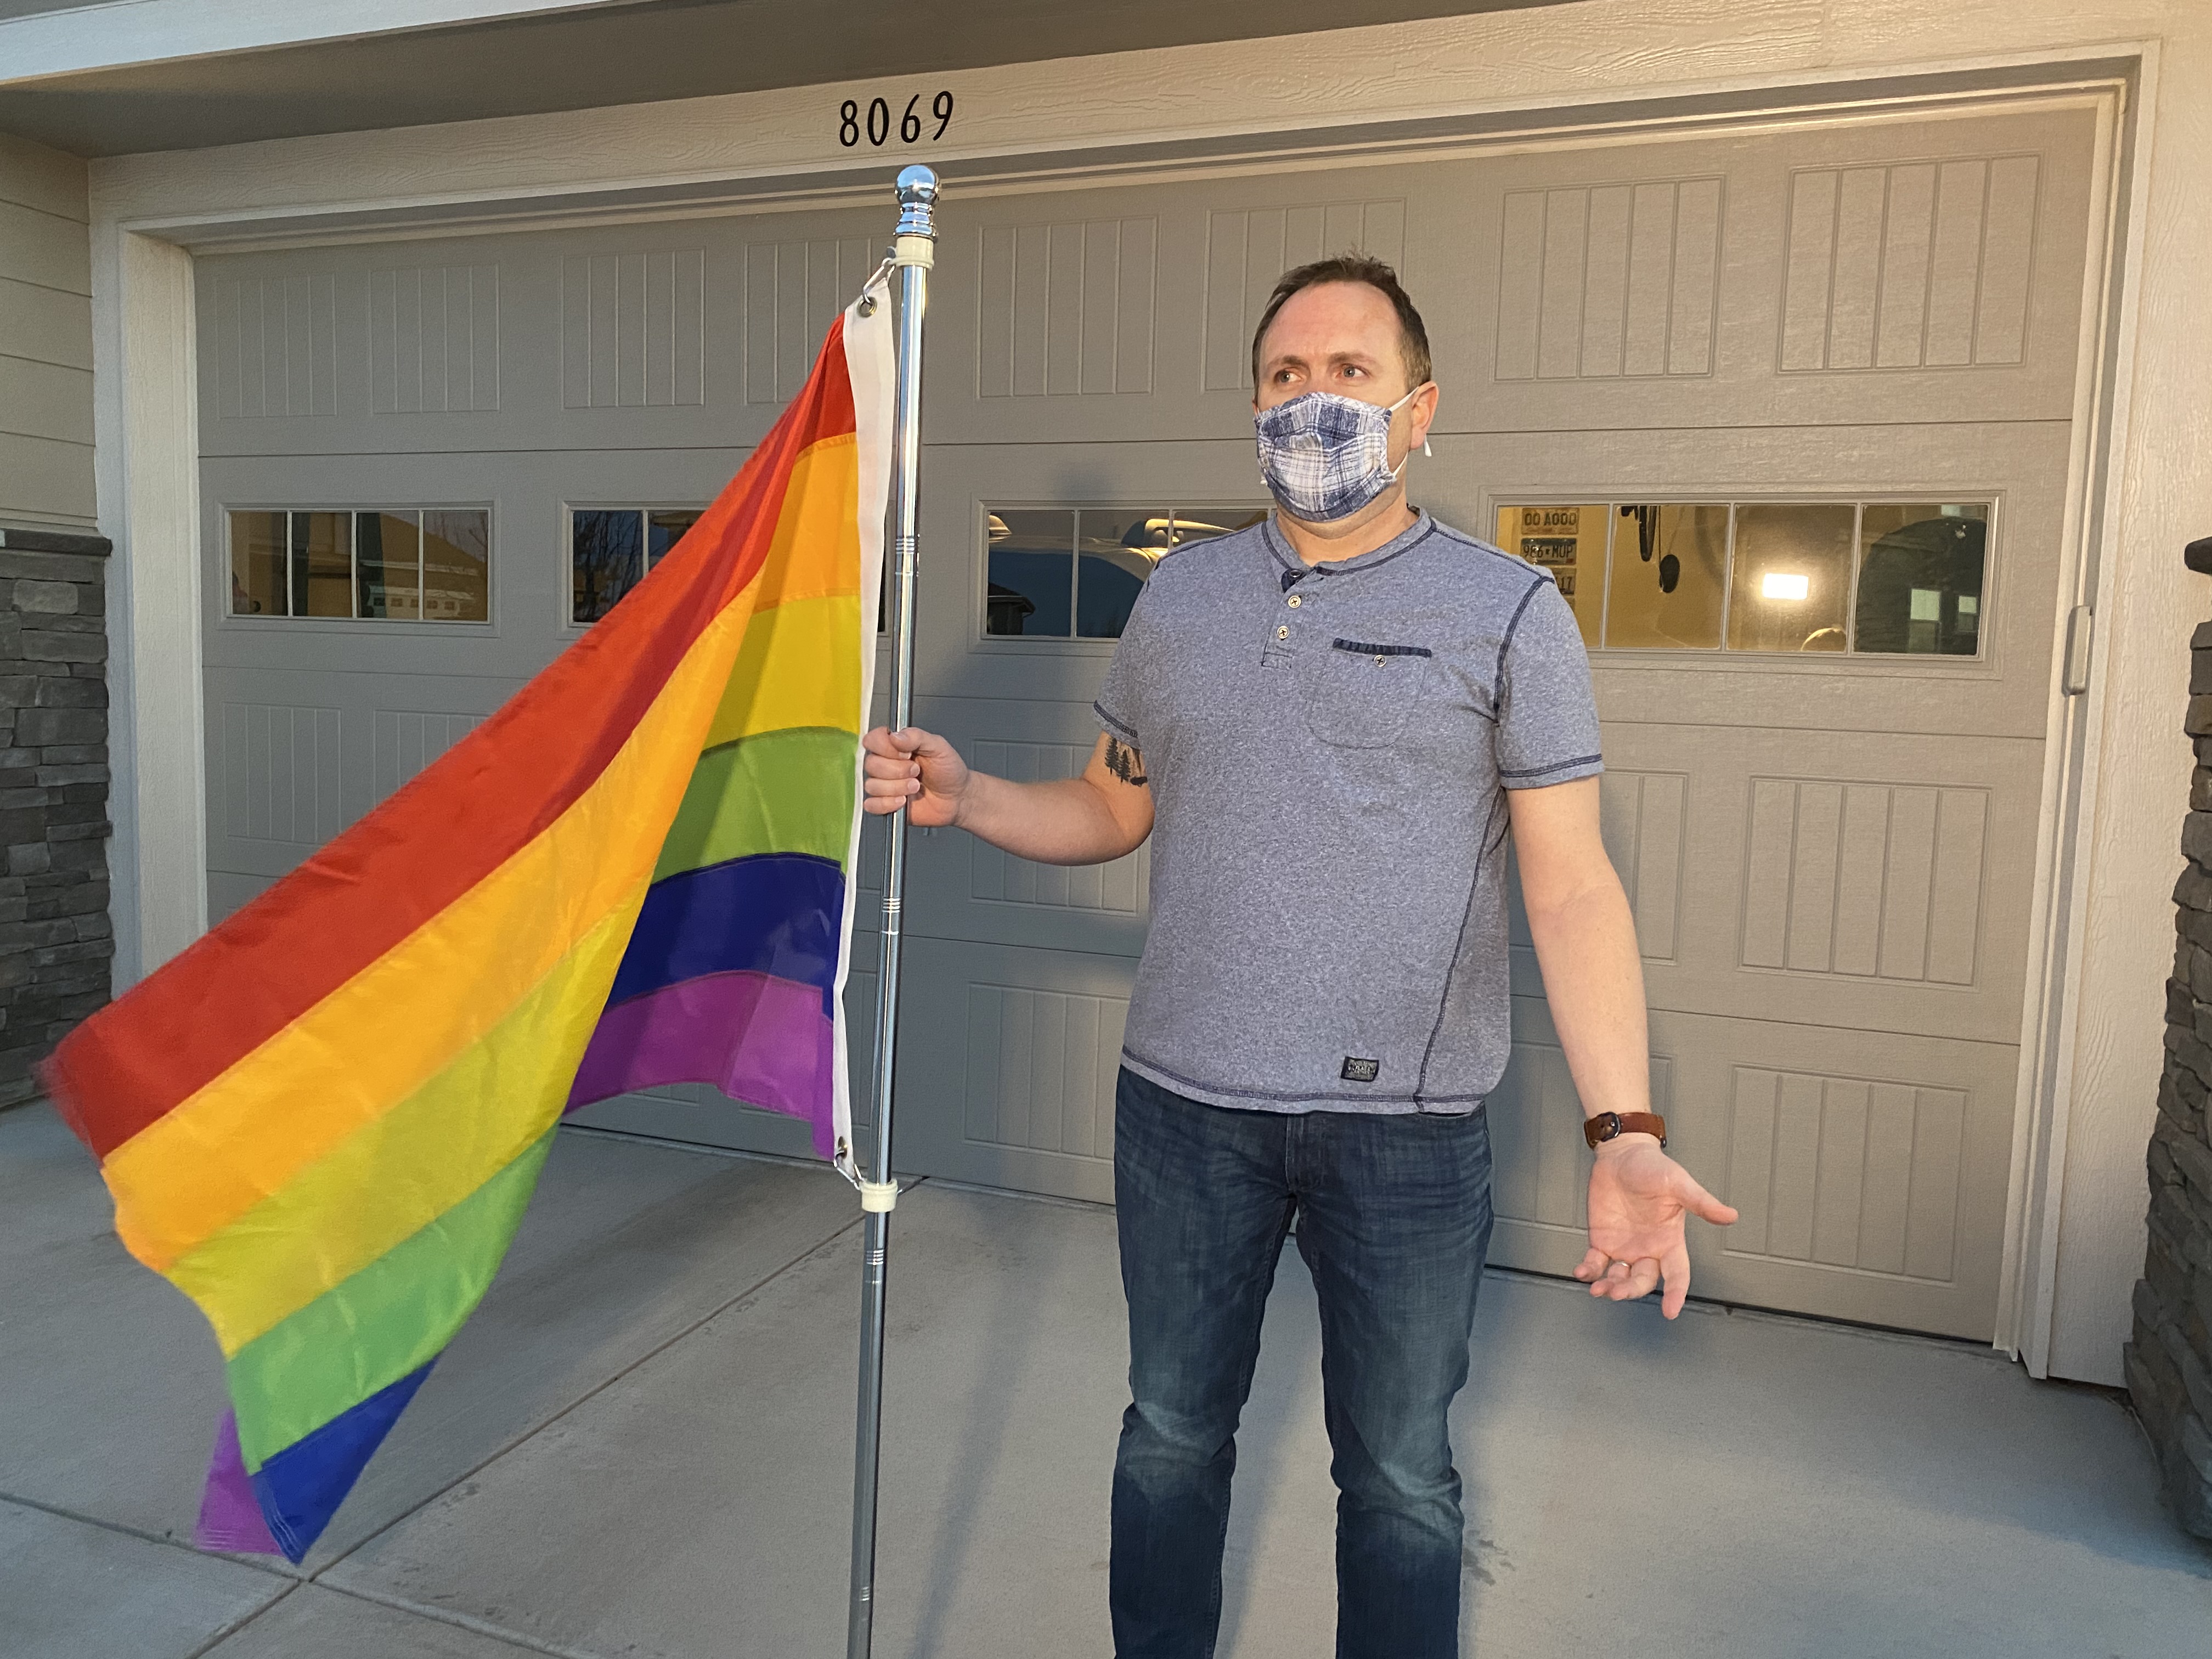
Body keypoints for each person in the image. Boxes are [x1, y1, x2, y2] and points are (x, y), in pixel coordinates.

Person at [861, 255, 1737, 1659]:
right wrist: (971, 800)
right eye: (1285, 377)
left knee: (1399, 1480)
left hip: (1403, 1133)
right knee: (1166, 1439)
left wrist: (1623, 1128)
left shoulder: (1509, 612)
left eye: (1350, 374)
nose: (1312, 402)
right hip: (1183, 1114)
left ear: (1419, 408)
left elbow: (1572, 890)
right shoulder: (1182, 602)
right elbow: (1116, 803)